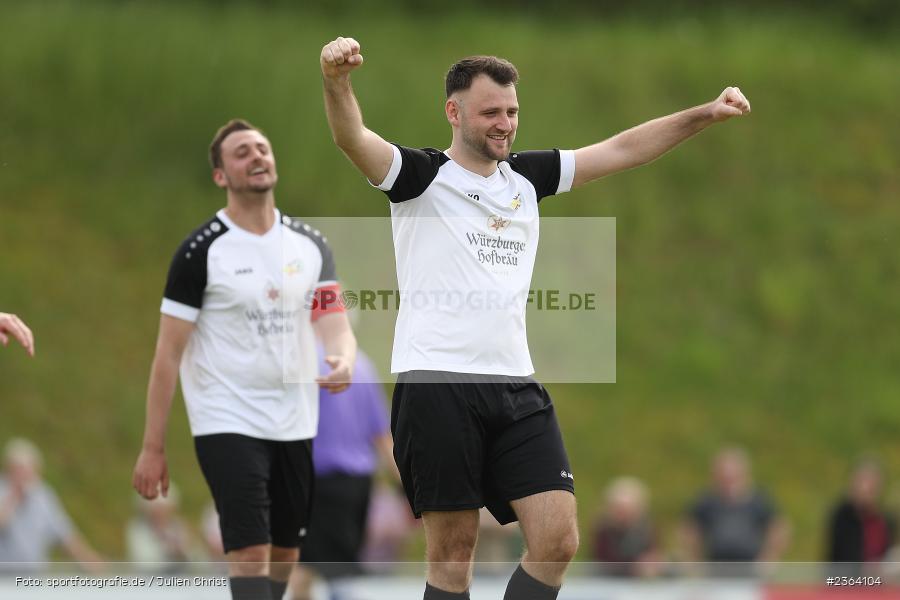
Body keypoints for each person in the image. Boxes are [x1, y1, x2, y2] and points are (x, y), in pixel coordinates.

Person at [320, 36, 751, 600]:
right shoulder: (418, 176)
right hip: (437, 386)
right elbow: (352, 137)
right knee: (452, 558)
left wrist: (705, 113)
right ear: (454, 112)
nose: (505, 124)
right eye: (491, 112)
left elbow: (623, 149)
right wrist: (337, 80)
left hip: (516, 386)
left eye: (513, 111)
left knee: (558, 541)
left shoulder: (528, 177)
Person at [132, 118, 357, 600]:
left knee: (284, 557)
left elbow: (334, 324)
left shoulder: (311, 244)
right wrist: (153, 447)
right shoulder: (200, 252)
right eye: (241, 153)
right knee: (250, 551)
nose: (256, 156)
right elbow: (167, 355)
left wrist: (342, 358)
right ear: (221, 176)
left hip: (295, 421)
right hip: (227, 419)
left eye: (262, 148)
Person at [290, 347, 397, 600]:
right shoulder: (363, 365)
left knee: (305, 567)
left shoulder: (303, 362)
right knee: (341, 566)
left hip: (316, 480)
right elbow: (382, 436)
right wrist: (407, 486)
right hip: (357, 484)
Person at [680, 447, 789, 575]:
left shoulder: (759, 500)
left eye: (732, 477)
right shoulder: (707, 501)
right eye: (724, 477)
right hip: (715, 571)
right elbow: (689, 529)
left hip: (750, 571)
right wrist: (694, 560)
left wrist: (769, 558)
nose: (728, 482)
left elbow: (778, 528)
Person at [0, 438, 103, 573]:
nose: (24, 476)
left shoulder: (43, 495)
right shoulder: (3, 490)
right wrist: (13, 498)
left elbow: (64, 532)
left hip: (33, 576)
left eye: (28, 470)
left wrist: (87, 558)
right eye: (19, 470)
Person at [827, 459, 896, 573]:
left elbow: (888, 554)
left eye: (871, 485)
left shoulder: (886, 520)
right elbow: (841, 559)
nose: (865, 488)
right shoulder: (843, 516)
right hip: (847, 583)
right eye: (861, 482)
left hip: (878, 583)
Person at [591, 477, 661, 577]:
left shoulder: (647, 530)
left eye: (627, 509)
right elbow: (603, 562)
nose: (623, 515)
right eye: (619, 509)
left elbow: (654, 556)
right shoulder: (603, 531)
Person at [126, 482, 200, 574]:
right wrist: (171, 552)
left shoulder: (178, 527)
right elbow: (143, 561)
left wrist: (184, 552)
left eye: (163, 508)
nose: (160, 512)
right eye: (156, 508)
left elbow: (195, 557)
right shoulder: (138, 528)